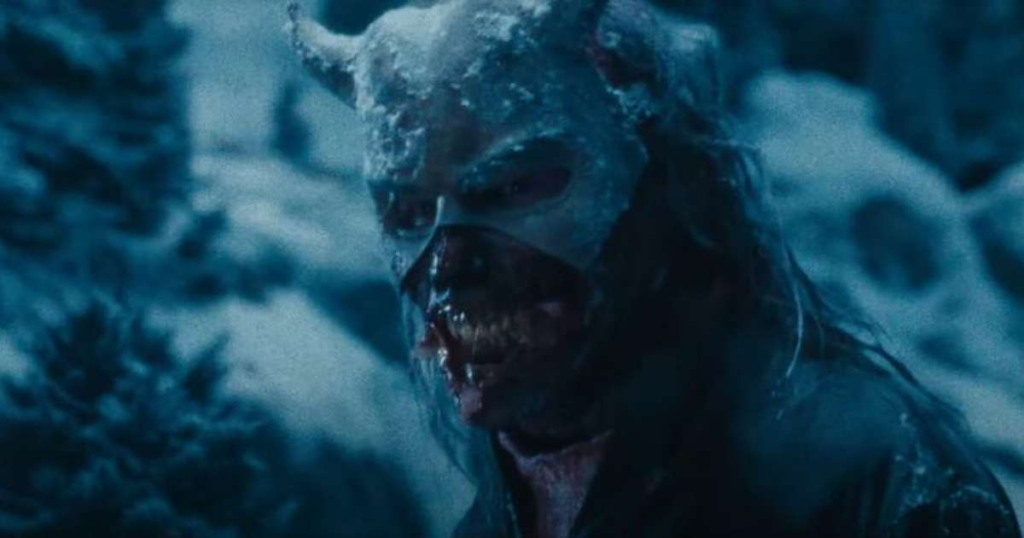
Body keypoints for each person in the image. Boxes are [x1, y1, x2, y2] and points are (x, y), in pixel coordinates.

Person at [287, 1, 1022, 536]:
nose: (446, 267)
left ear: (660, 191)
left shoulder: (876, 487)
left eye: (512, 189)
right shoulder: (501, 516)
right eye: (408, 214)